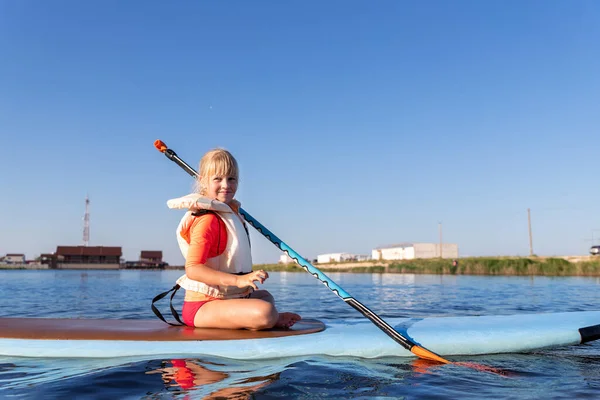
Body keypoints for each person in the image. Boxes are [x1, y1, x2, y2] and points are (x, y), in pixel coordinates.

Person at [166, 148, 301, 330]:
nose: (226, 185)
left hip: (229, 297)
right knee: (265, 312)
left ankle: (267, 318)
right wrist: (239, 281)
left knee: (265, 296)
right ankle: (270, 319)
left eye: (231, 179)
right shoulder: (207, 220)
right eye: (217, 179)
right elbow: (193, 270)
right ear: (203, 182)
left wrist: (244, 283)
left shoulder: (230, 213)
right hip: (202, 306)